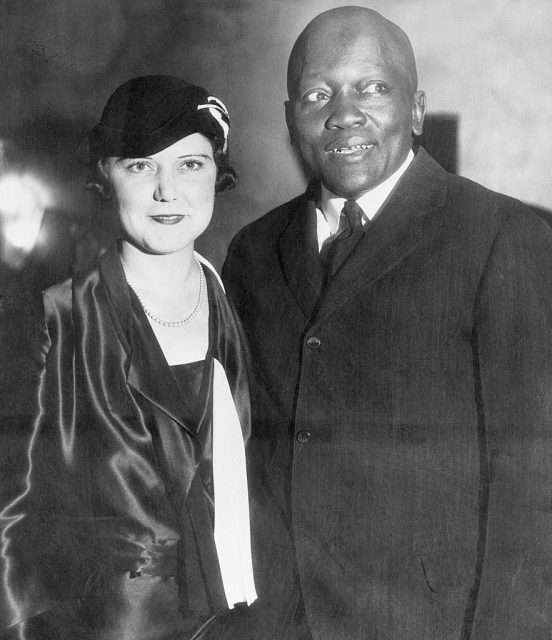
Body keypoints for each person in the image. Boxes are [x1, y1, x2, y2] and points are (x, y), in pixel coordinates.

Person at [222, 6, 552, 640]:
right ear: (292, 118)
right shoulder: (252, 252)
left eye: (372, 87)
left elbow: (534, 490)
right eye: (317, 94)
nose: (343, 113)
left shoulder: (502, 238)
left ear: (417, 109)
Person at [0, 75, 257, 640]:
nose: (168, 191)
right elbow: (11, 521)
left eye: (190, 164)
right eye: (141, 165)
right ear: (104, 176)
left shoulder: (244, 307)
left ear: (219, 172)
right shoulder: (54, 320)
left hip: (237, 622)